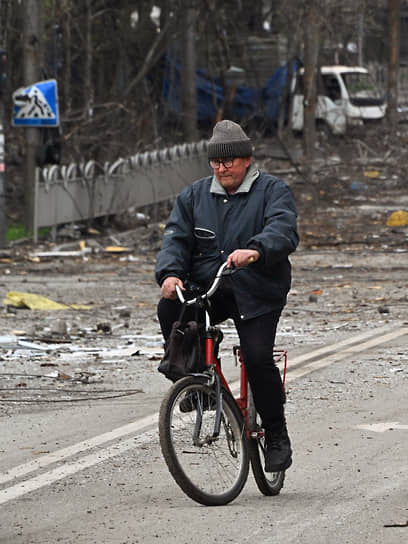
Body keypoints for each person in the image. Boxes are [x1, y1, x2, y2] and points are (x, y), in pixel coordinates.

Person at [155, 119, 299, 473]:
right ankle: (200, 384)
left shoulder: (272, 191)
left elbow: (283, 229)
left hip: (258, 291)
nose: (222, 169)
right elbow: (176, 238)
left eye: (229, 162)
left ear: (246, 160)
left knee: (257, 357)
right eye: (216, 163)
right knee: (170, 307)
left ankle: (277, 436)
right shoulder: (194, 196)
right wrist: (170, 273)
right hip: (211, 288)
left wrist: (256, 251)